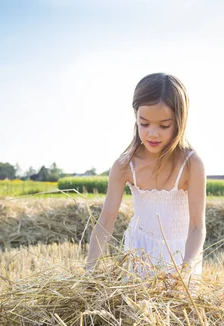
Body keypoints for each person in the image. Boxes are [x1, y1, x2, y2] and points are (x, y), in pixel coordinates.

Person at [85, 72, 206, 290]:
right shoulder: (124, 166)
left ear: (179, 121)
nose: (152, 133)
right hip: (138, 253)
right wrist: (89, 271)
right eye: (144, 123)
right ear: (135, 116)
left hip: (180, 255)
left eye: (164, 125)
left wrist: (185, 270)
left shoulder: (191, 164)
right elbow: (105, 222)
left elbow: (197, 226)